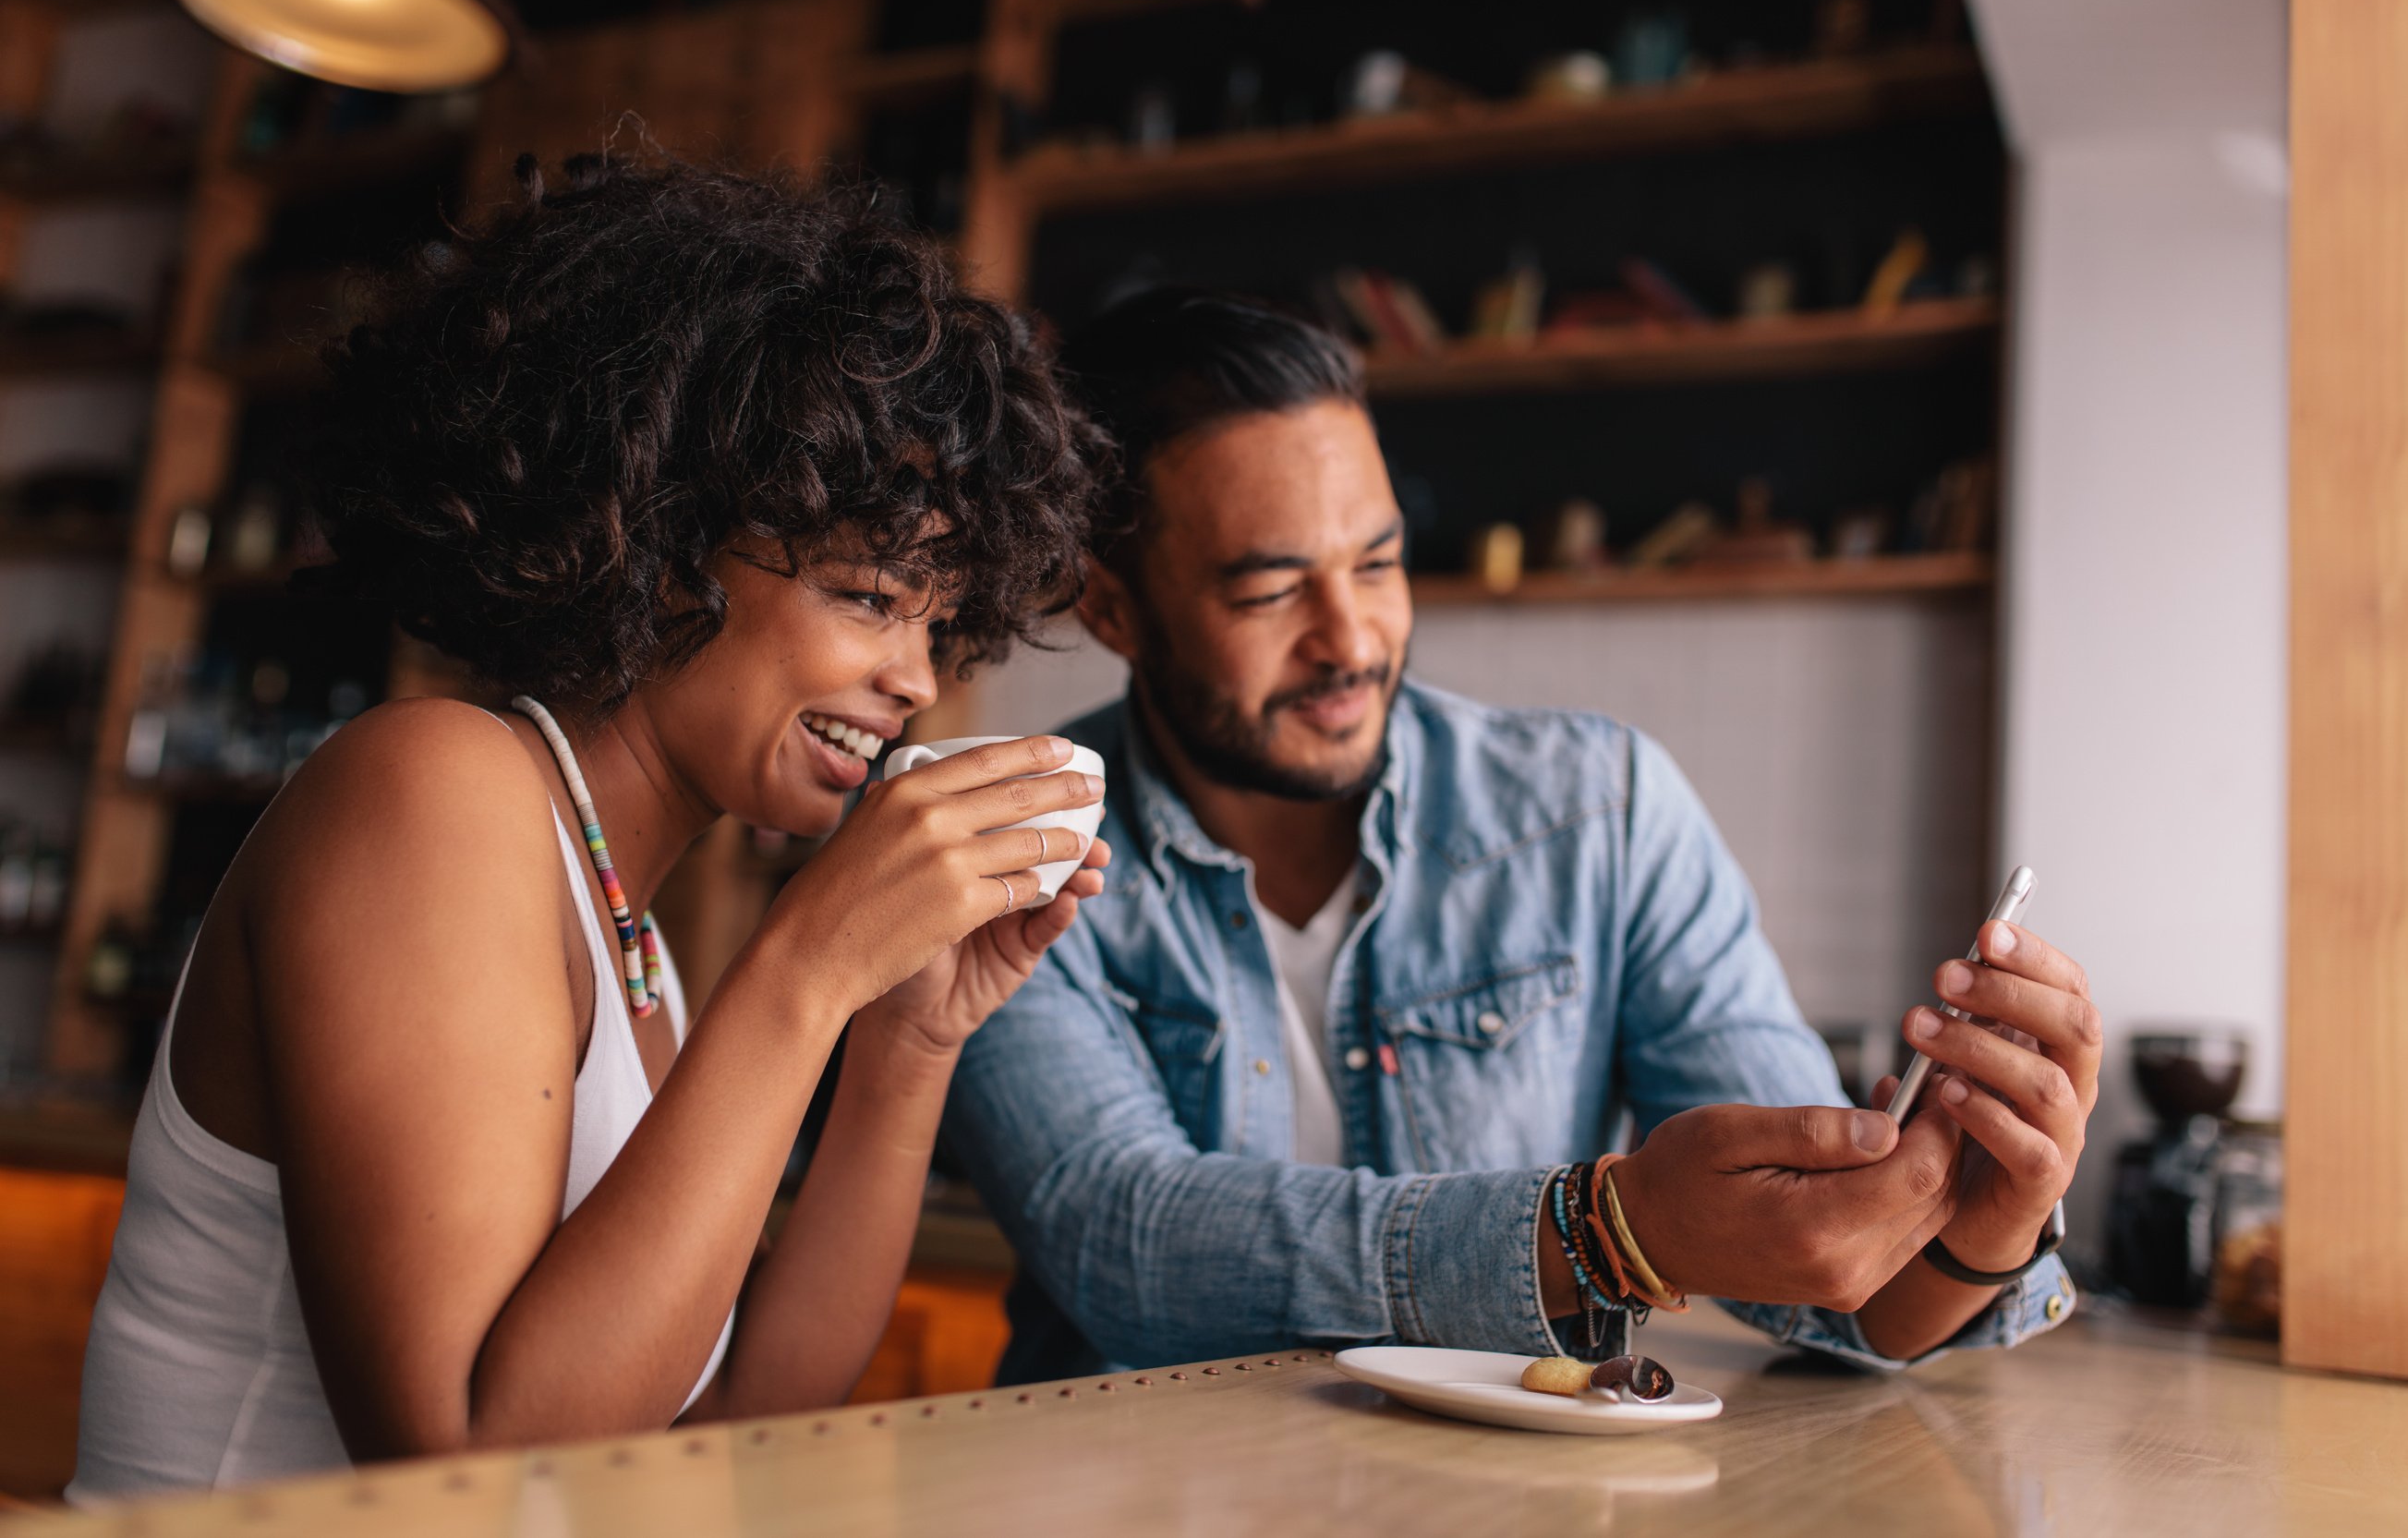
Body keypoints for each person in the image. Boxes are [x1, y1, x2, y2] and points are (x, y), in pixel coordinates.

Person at [70, 155, 1112, 1499]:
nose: (916, 679)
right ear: (662, 544)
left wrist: (904, 1034)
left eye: (937, 622)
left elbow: (739, 1423)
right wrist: (805, 966)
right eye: (867, 595)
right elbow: (466, 1456)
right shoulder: (431, 788)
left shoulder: (629, 936)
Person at [942, 288, 2098, 1382]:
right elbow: (1121, 1241)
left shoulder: (1603, 813)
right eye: (1270, 590)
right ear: (1109, 606)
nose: (1351, 639)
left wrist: (1972, 1228)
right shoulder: (1010, 845)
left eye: (1380, 563)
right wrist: (1602, 1231)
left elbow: (1830, 1274)